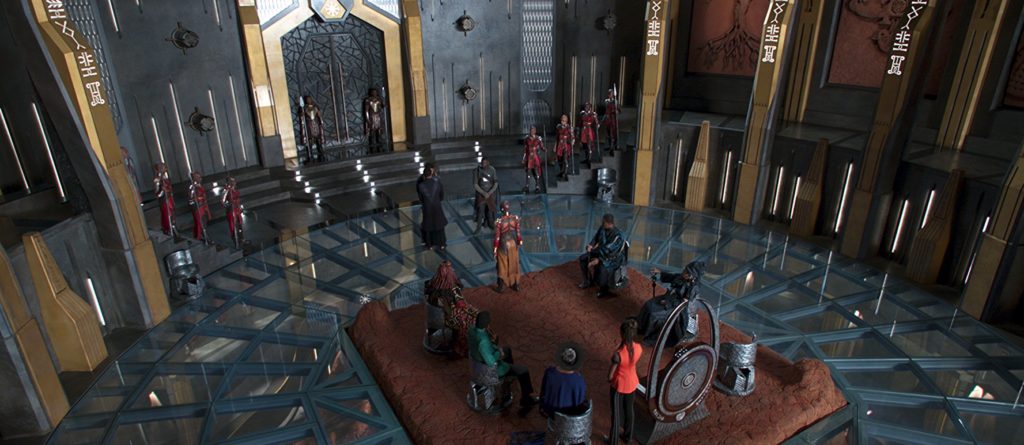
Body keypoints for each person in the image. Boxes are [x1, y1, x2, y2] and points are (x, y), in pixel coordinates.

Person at [468, 311, 540, 414]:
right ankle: (526, 399)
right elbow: (491, 362)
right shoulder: (483, 342)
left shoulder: (471, 330)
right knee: (523, 371)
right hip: (489, 372)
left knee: (507, 349)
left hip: (475, 364)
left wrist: (495, 347)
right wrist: (499, 353)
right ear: (487, 324)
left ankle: (509, 378)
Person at [637, 261, 706, 346]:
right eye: (685, 269)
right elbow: (671, 277)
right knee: (649, 304)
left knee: (654, 314)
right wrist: (660, 273)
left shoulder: (693, 289)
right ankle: (641, 327)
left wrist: (668, 303)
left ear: (691, 276)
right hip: (669, 298)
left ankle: (652, 337)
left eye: (686, 271)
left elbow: (683, 303)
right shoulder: (682, 277)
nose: (683, 271)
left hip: (679, 309)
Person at [607, 319, 642, 445]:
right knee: (629, 411)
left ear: (622, 334)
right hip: (632, 383)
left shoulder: (618, 354)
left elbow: (610, 376)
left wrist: (610, 379)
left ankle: (613, 441)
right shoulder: (638, 348)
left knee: (616, 415)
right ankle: (627, 437)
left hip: (619, 386)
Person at [578, 213, 626, 298]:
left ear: (609, 223)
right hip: (600, 252)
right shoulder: (602, 228)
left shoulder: (618, 236)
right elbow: (596, 237)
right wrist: (591, 245)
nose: (602, 223)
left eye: (604, 222)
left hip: (611, 258)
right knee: (583, 259)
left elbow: (609, 251)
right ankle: (588, 281)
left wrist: (598, 259)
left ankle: (604, 290)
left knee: (602, 268)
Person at [540, 342, 588, 418]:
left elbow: (543, 393)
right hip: (569, 416)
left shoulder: (549, 373)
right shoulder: (579, 380)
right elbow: (580, 402)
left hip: (551, 413)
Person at [416, 163, 448, 250]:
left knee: (428, 226)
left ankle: (429, 245)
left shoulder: (420, 186)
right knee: (439, 226)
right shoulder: (437, 183)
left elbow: (421, 198)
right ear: (431, 173)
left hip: (427, 208)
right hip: (437, 207)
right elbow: (441, 195)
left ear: (424, 175)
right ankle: (442, 244)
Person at [493, 201, 522, 293]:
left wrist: (495, 249)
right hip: (513, 243)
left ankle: (501, 287)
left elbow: (497, 237)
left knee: (502, 265)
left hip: (503, 244)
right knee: (514, 264)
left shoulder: (499, 221)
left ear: (502, 209)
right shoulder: (515, 218)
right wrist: (519, 241)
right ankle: (516, 285)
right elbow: (518, 232)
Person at [473, 157, 498, 234]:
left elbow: (496, 183)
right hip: (481, 194)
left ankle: (490, 223)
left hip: (490, 194)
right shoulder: (477, 171)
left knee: (490, 210)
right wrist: (483, 193)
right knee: (480, 211)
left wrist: (489, 192)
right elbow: (475, 184)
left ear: (488, 163)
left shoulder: (492, 170)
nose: (483, 165)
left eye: (485, 163)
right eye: (482, 163)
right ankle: (478, 227)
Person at [298, 95, 326, 163]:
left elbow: (319, 115)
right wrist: (302, 111)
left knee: (318, 140)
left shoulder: (315, 107)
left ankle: (321, 153)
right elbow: (301, 115)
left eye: (310, 99)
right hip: (309, 125)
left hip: (316, 124)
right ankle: (310, 155)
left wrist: (321, 122)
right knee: (309, 141)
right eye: (308, 99)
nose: (309, 100)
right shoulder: (304, 108)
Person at [188, 171, 211, 242]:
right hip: (198, 207)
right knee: (199, 222)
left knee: (204, 221)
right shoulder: (192, 187)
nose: (200, 178)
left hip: (203, 206)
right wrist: (197, 202)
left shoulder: (200, 185)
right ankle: (201, 236)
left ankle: (204, 235)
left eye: (200, 177)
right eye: (198, 177)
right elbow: (190, 199)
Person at [153, 162, 175, 235]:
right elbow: (157, 193)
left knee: (172, 213)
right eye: (162, 168)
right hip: (164, 200)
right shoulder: (157, 180)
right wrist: (162, 190)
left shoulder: (166, 178)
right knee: (166, 215)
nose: (165, 169)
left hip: (170, 198)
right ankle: (167, 229)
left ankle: (173, 227)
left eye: (165, 168)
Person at [523, 126, 546, 194]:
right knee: (528, 172)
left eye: (533, 130)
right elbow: (525, 149)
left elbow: (541, 146)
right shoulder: (527, 138)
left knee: (536, 171)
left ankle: (537, 186)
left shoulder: (538, 138)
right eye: (531, 130)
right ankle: (527, 186)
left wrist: (544, 149)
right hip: (529, 157)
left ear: (535, 131)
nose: (532, 131)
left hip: (535, 156)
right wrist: (523, 158)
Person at [222, 176, 243, 247]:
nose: (234, 182)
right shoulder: (226, 190)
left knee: (239, 224)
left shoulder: (235, 189)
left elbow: (238, 199)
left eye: (234, 181)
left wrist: (239, 206)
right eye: (232, 181)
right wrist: (230, 203)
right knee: (233, 226)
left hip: (237, 209)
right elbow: (223, 202)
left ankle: (241, 238)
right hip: (231, 210)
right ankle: (236, 241)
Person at [364, 88, 386, 153]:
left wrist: (383, 105)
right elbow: (366, 111)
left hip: (378, 116)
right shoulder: (368, 100)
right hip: (372, 116)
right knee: (372, 132)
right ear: (371, 93)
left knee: (379, 131)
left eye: (375, 92)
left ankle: (380, 145)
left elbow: (382, 106)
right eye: (373, 92)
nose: (374, 93)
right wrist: (368, 119)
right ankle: (372, 147)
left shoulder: (379, 99)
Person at [555, 114, 574, 180]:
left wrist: (572, 140)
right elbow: (557, 137)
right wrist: (555, 146)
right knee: (559, 159)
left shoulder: (569, 128)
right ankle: (562, 171)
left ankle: (565, 173)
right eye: (561, 120)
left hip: (566, 145)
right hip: (559, 144)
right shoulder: (558, 127)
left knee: (565, 159)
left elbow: (572, 137)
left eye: (564, 121)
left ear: (566, 121)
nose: (562, 122)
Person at [602, 89, 619, 155]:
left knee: (614, 133)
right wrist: (613, 102)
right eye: (610, 94)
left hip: (613, 118)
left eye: (612, 94)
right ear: (608, 95)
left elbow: (618, 110)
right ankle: (610, 146)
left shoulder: (615, 101)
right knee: (609, 133)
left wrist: (617, 111)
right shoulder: (607, 101)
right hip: (608, 118)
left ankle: (614, 146)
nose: (611, 95)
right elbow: (607, 106)